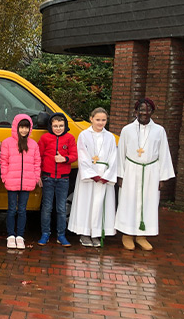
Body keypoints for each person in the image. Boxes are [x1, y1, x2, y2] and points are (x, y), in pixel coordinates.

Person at [115, 98, 175, 251]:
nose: (144, 113)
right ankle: (127, 235)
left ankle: (142, 236)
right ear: (136, 112)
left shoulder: (159, 131)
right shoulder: (127, 130)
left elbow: (164, 153)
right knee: (129, 201)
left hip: (151, 171)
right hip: (131, 170)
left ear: (152, 112)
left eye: (148, 110)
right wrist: (120, 175)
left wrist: (162, 177)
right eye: (141, 110)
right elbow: (121, 152)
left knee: (148, 202)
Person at [68, 108, 117, 247]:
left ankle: (97, 233)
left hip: (104, 176)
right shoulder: (84, 135)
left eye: (103, 120)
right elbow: (82, 155)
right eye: (98, 120)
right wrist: (93, 175)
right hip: (90, 176)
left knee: (100, 205)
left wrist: (107, 175)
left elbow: (114, 157)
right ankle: (84, 233)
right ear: (91, 119)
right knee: (86, 203)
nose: (100, 123)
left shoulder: (110, 137)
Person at [0, 114, 40, 249]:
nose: (24, 130)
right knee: (11, 209)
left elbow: (36, 163)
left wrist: (35, 177)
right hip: (11, 181)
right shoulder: (7, 143)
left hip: (27, 182)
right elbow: (3, 162)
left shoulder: (33, 144)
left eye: (26, 127)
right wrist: (5, 177)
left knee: (22, 210)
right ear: (16, 127)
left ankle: (20, 236)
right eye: (21, 127)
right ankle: (10, 235)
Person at [37, 113, 78, 247]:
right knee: (47, 207)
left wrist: (64, 159)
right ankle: (45, 233)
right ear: (50, 126)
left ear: (65, 126)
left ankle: (61, 235)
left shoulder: (69, 138)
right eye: (55, 126)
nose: (58, 128)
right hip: (48, 177)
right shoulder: (45, 138)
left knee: (61, 208)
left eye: (61, 126)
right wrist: (39, 174)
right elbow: (38, 156)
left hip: (63, 179)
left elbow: (74, 155)